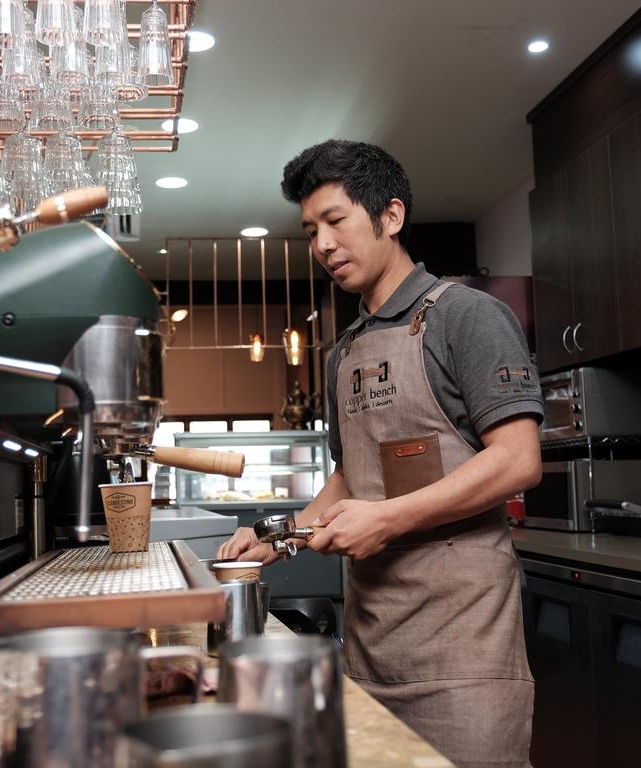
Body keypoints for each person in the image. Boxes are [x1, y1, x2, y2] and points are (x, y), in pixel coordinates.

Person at [217, 139, 544, 768]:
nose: (323, 246)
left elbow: (517, 459)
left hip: (464, 653)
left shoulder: (467, 317)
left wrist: (388, 519)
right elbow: (352, 477)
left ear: (389, 216)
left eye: (336, 222)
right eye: (311, 230)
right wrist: (279, 536)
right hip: (371, 649)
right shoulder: (343, 352)